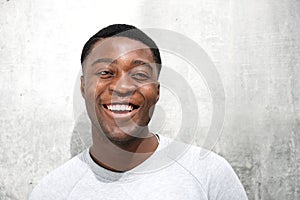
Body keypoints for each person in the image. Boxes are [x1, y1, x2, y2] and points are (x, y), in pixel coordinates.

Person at [30, 24, 248, 199]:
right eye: (105, 72)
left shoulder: (208, 173)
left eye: (140, 74)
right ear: (83, 87)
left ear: (157, 91)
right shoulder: (53, 191)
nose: (122, 87)